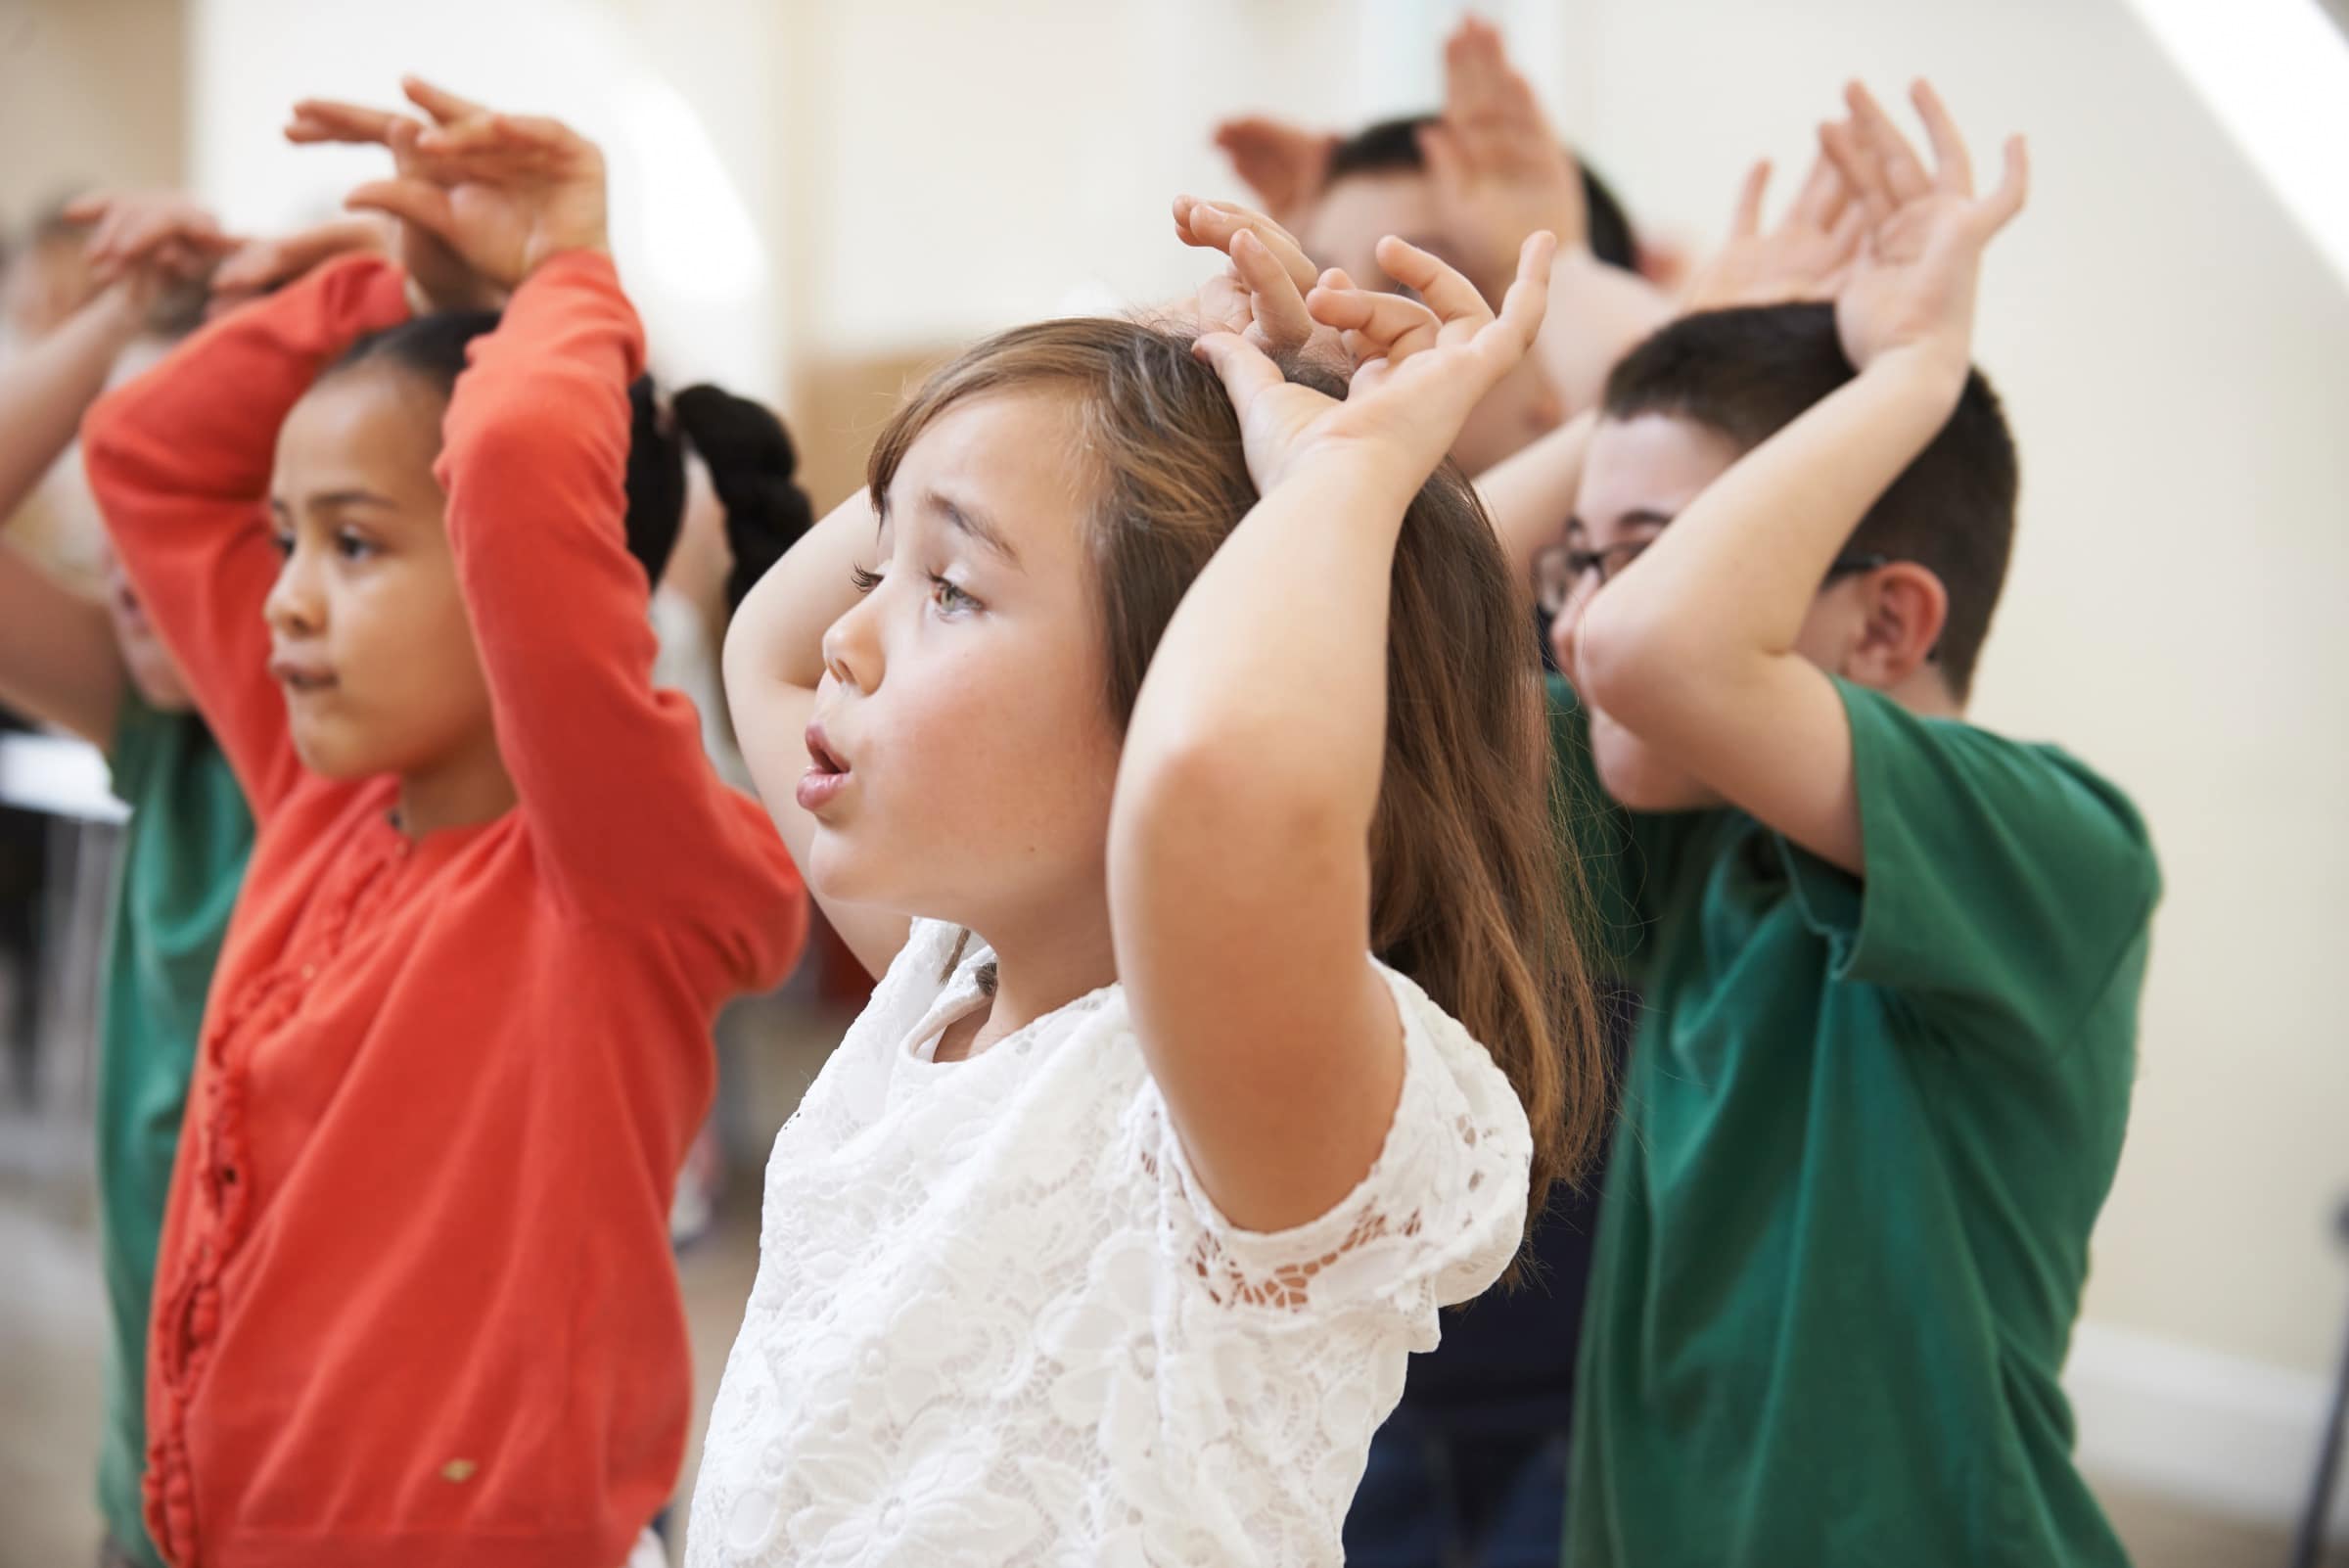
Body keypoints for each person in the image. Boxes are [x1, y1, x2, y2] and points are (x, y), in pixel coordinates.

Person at [688, 194, 1607, 1562]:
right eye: (882, 565)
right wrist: (1119, 357)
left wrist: (1341, 478)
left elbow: (1219, 796)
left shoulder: (1242, 1101)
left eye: (949, 590)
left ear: (1170, 685)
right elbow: (764, 644)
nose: (846, 639)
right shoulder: (950, 975)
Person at [79, 82, 808, 1567]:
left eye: (354, 543)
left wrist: (562, 278)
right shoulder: (321, 797)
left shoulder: (620, 872)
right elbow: (146, 459)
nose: (283, 596)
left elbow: (523, 474)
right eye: (286, 541)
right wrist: (389, 296)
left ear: (515, 574)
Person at [1492, 82, 2156, 1567]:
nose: (1586, 615)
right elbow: (1394, 652)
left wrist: (1912, 374)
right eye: (1576, 561)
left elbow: (1649, 652)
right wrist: (1653, 376)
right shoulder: (1692, 843)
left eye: (1650, 557)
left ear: (1888, 623)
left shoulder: (2064, 846)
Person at [0, 194, 248, 1568]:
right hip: (153, 1481)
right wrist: (118, 315)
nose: (125, 556)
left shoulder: (372, 773)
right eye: (116, 502)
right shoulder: (168, 733)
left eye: (192, 505)